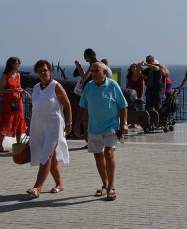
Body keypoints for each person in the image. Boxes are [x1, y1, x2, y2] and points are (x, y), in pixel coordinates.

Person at [74, 62, 128, 201]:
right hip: (94, 127)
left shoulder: (112, 85)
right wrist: (77, 124)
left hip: (111, 126)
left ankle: (112, 187)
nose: (94, 73)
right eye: (92, 71)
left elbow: (123, 106)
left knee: (108, 154)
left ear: (104, 72)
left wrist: (124, 124)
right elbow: (82, 106)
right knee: (98, 157)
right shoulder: (89, 87)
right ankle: (105, 184)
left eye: (97, 70)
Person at [26, 60, 72, 198]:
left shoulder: (55, 86)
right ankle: (59, 184)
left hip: (54, 124)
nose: (42, 73)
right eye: (39, 71)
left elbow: (68, 105)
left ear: (50, 70)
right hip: (38, 125)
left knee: (47, 154)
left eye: (45, 70)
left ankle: (37, 187)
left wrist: (69, 124)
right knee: (47, 155)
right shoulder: (36, 87)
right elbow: (36, 107)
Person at [0, 57, 30, 152]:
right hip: (8, 103)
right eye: (17, 63)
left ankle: (18, 144)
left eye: (18, 63)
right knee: (6, 123)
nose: (18, 65)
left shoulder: (18, 75)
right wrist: (13, 90)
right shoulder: (6, 76)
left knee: (19, 122)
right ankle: (0, 145)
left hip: (18, 102)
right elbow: (1, 90)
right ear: (11, 64)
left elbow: (19, 87)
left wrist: (24, 92)